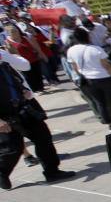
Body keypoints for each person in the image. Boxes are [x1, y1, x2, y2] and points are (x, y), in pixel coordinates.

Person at [0, 51, 75, 189]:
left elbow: (17, 82)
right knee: (11, 149)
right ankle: (2, 173)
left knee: (43, 138)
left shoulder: (5, 66)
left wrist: (24, 91)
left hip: (25, 109)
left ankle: (52, 171)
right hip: (5, 117)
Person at [66, 28, 111, 131]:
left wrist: (82, 74)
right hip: (104, 77)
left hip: (88, 80)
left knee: (100, 103)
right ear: (87, 36)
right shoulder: (96, 49)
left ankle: (110, 125)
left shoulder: (71, 51)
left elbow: (74, 67)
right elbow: (107, 65)